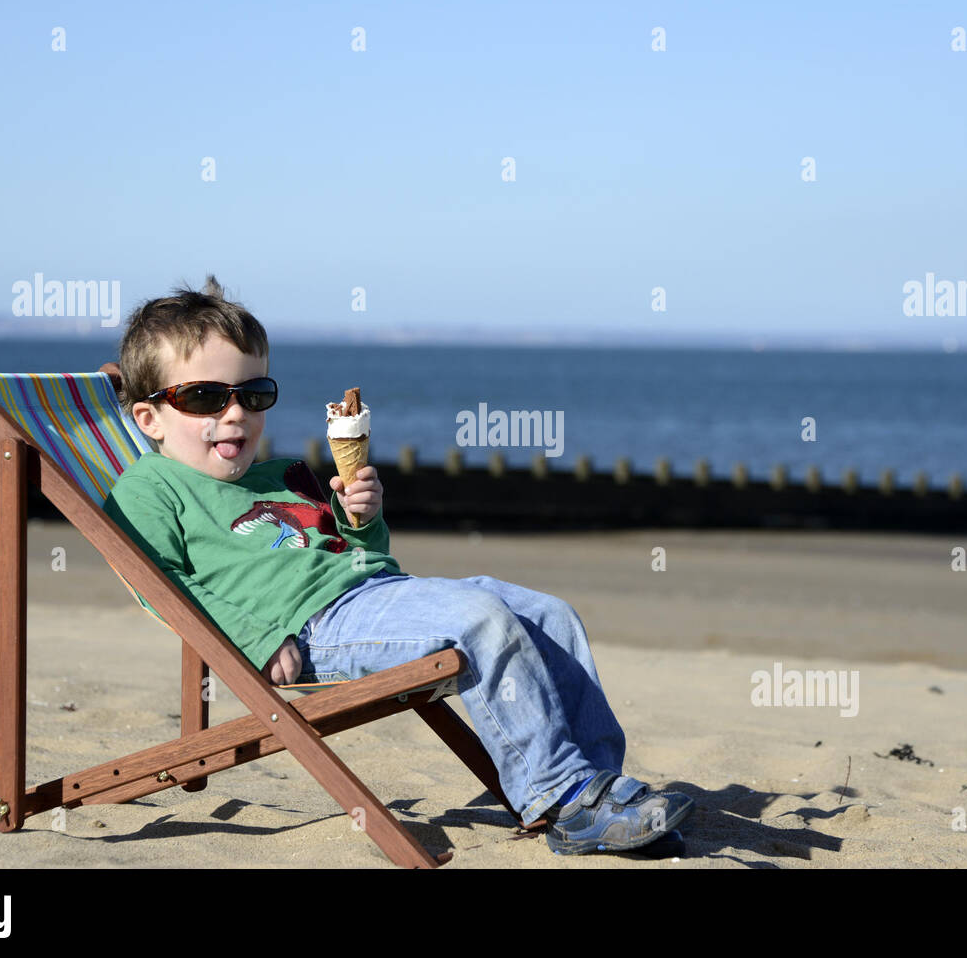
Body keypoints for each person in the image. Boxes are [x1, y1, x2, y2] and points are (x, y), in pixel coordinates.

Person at [101, 275, 695, 856]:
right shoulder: (150, 486)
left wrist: (360, 520)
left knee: (549, 614)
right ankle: (564, 793)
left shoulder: (278, 476)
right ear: (148, 417)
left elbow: (371, 560)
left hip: (375, 595)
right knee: (481, 620)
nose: (235, 415)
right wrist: (254, 637)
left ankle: (598, 789)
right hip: (309, 630)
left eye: (253, 395)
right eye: (205, 397)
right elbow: (156, 584)